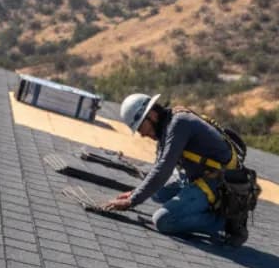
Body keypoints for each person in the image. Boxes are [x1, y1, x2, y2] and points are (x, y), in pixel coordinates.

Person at [101, 93, 243, 241]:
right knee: (156, 192)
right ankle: (196, 207)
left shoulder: (179, 123)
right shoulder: (166, 127)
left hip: (219, 184)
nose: (142, 134)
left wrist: (132, 201)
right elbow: (158, 168)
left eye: (141, 127)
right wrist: (134, 192)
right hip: (199, 177)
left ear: (153, 115)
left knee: (163, 221)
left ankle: (226, 223)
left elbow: (164, 168)